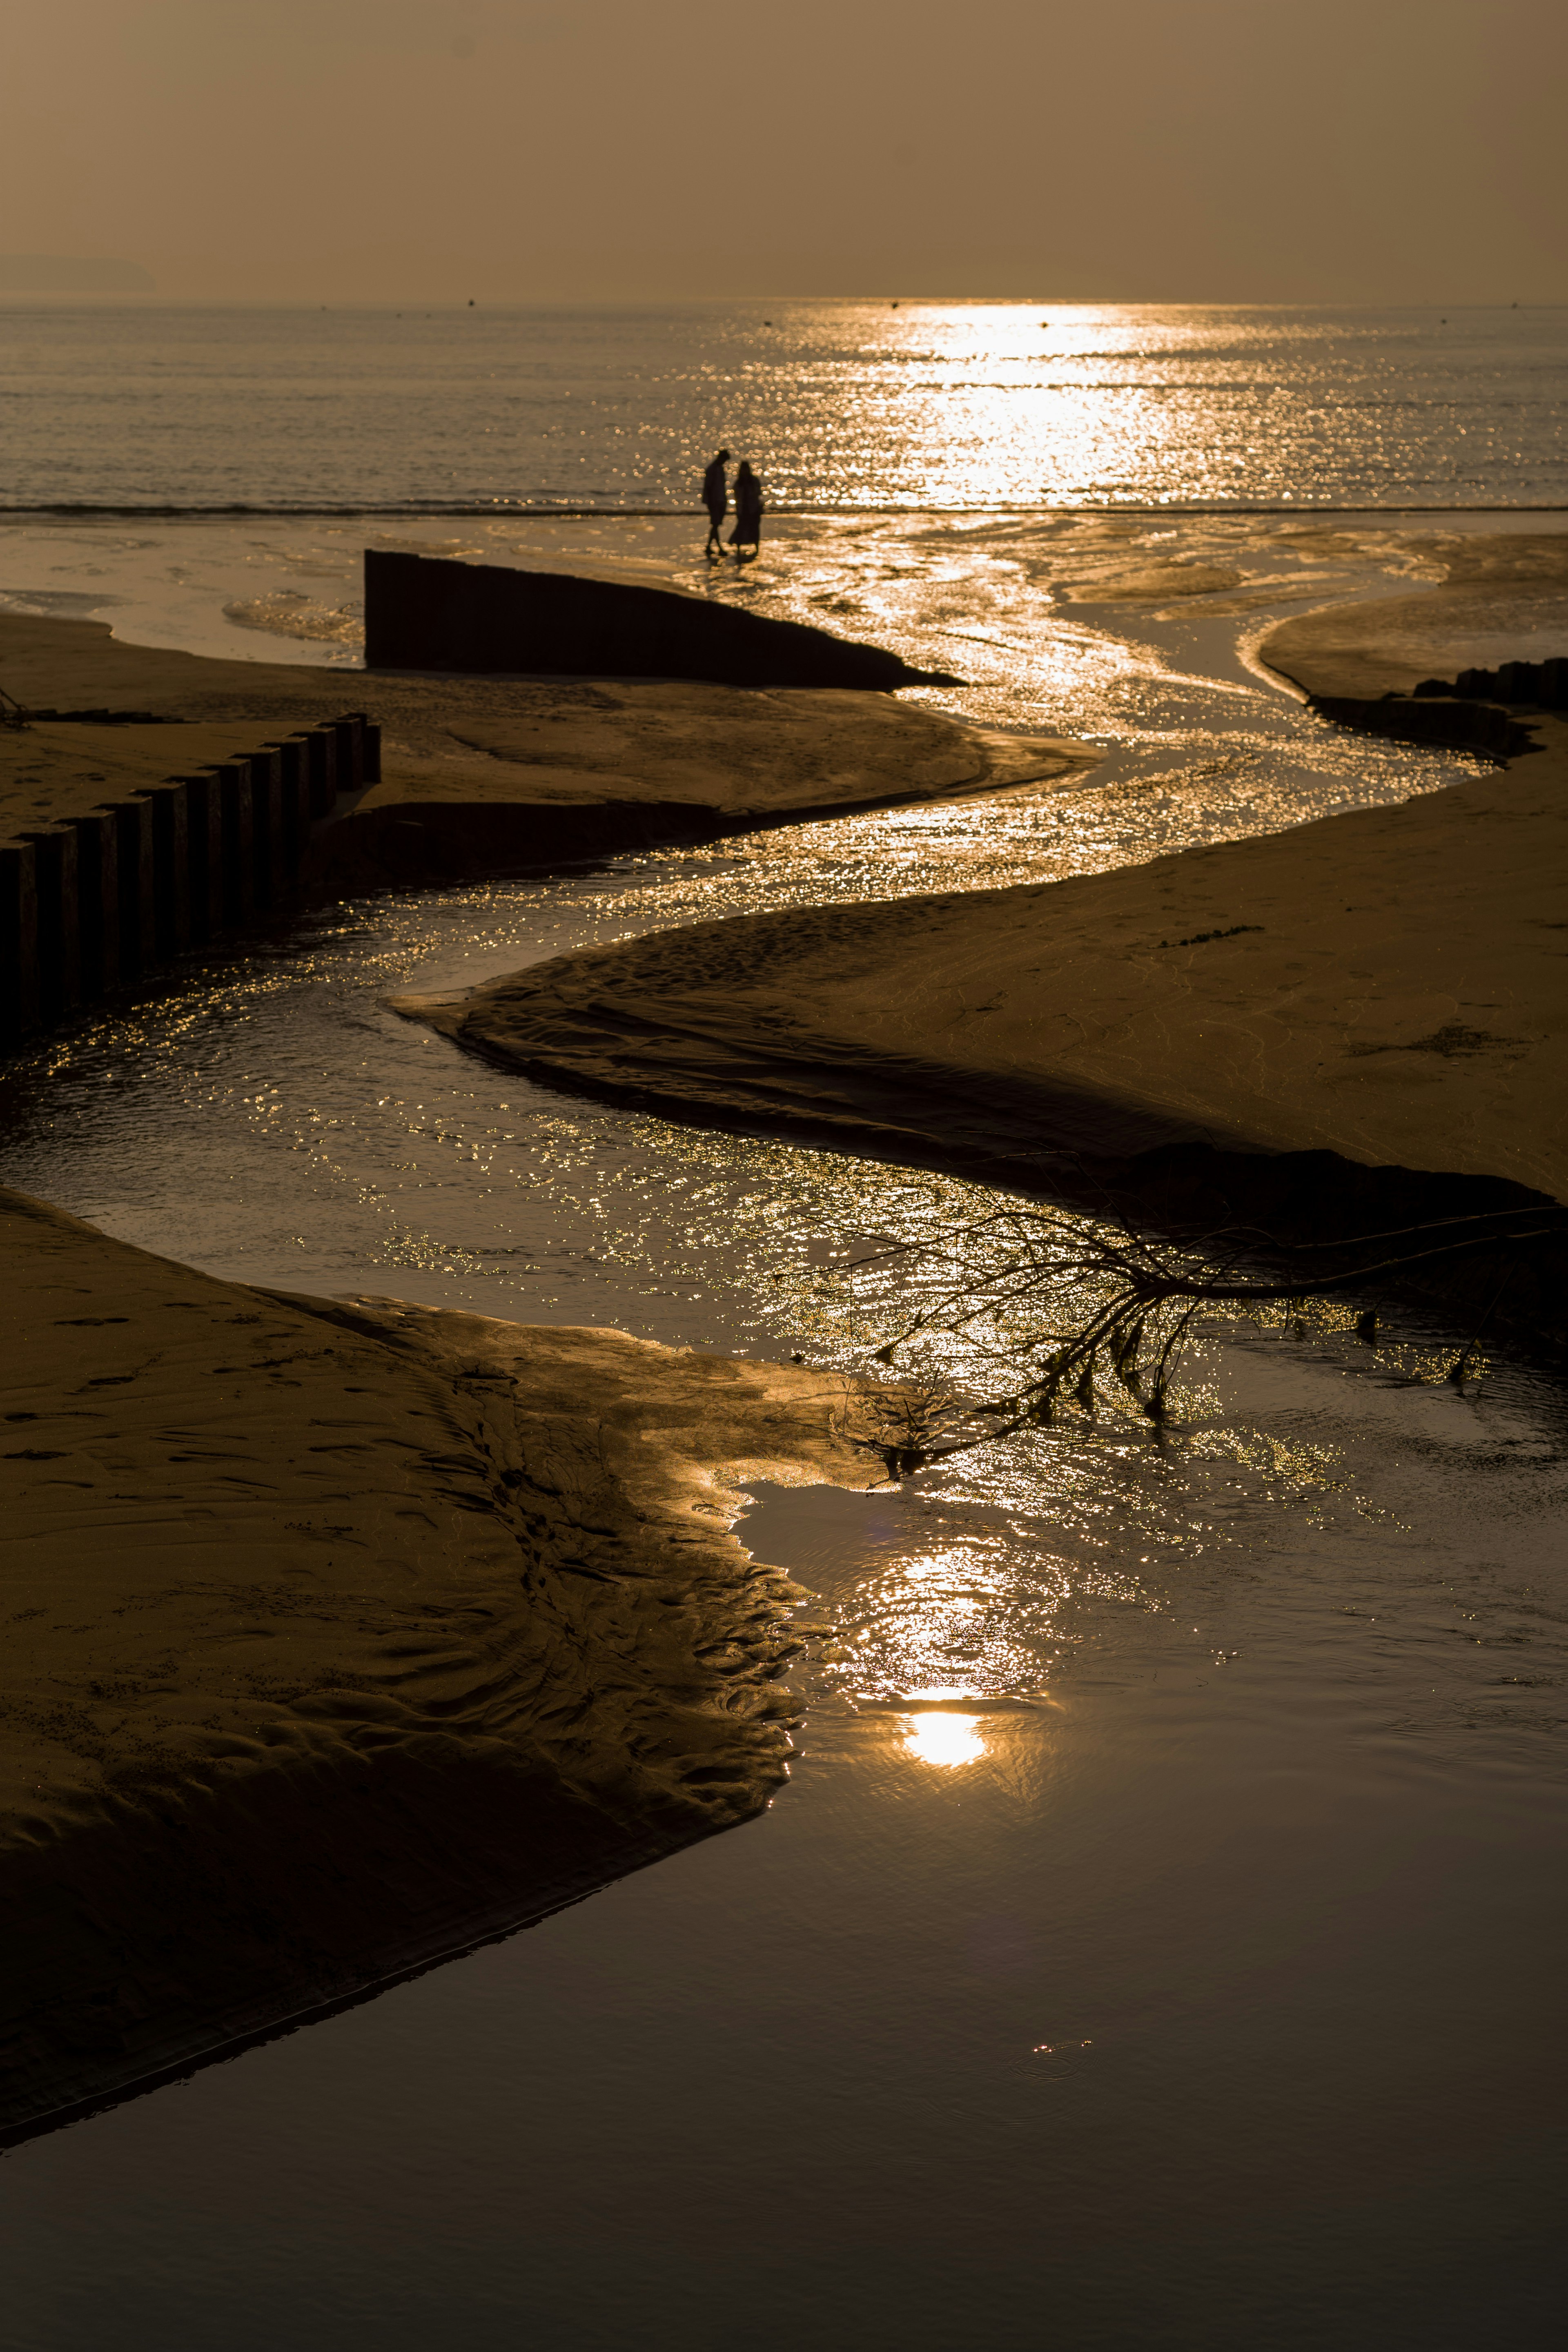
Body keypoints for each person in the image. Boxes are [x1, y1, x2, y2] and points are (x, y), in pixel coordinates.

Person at [730, 460, 763, 560]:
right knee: (741, 529)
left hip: (753, 509)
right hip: (743, 510)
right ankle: (739, 548)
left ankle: (756, 548)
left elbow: (758, 493)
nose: (745, 471)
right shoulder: (739, 483)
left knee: (755, 530)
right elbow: (736, 497)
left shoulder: (754, 481)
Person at [702, 448, 730, 557]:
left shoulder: (720, 469)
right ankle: (719, 548)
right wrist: (710, 502)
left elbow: (722, 487)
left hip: (720, 500)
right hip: (714, 501)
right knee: (715, 524)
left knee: (716, 524)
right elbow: (708, 487)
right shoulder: (712, 470)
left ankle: (709, 546)